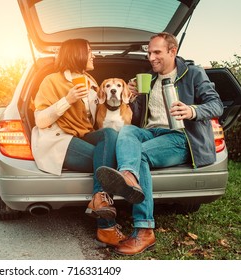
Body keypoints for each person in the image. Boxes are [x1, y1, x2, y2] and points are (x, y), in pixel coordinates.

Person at [96, 32, 224, 255]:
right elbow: (138, 116)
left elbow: (216, 105)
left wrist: (192, 110)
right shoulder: (149, 78)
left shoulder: (192, 73)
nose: (151, 57)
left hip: (180, 136)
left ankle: (144, 230)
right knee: (127, 131)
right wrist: (133, 98)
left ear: (172, 51)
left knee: (141, 154)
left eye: (157, 52)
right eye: (149, 53)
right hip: (151, 132)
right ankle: (129, 175)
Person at [31, 38, 144, 247]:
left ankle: (99, 200)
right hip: (59, 139)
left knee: (109, 135)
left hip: (83, 135)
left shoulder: (91, 82)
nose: (93, 55)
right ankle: (106, 225)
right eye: (89, 51)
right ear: (77, 54)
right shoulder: (51, 81)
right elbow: (40, 121)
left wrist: (127, 95)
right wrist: (68, 99)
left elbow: (97, 120)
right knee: (108, 161)